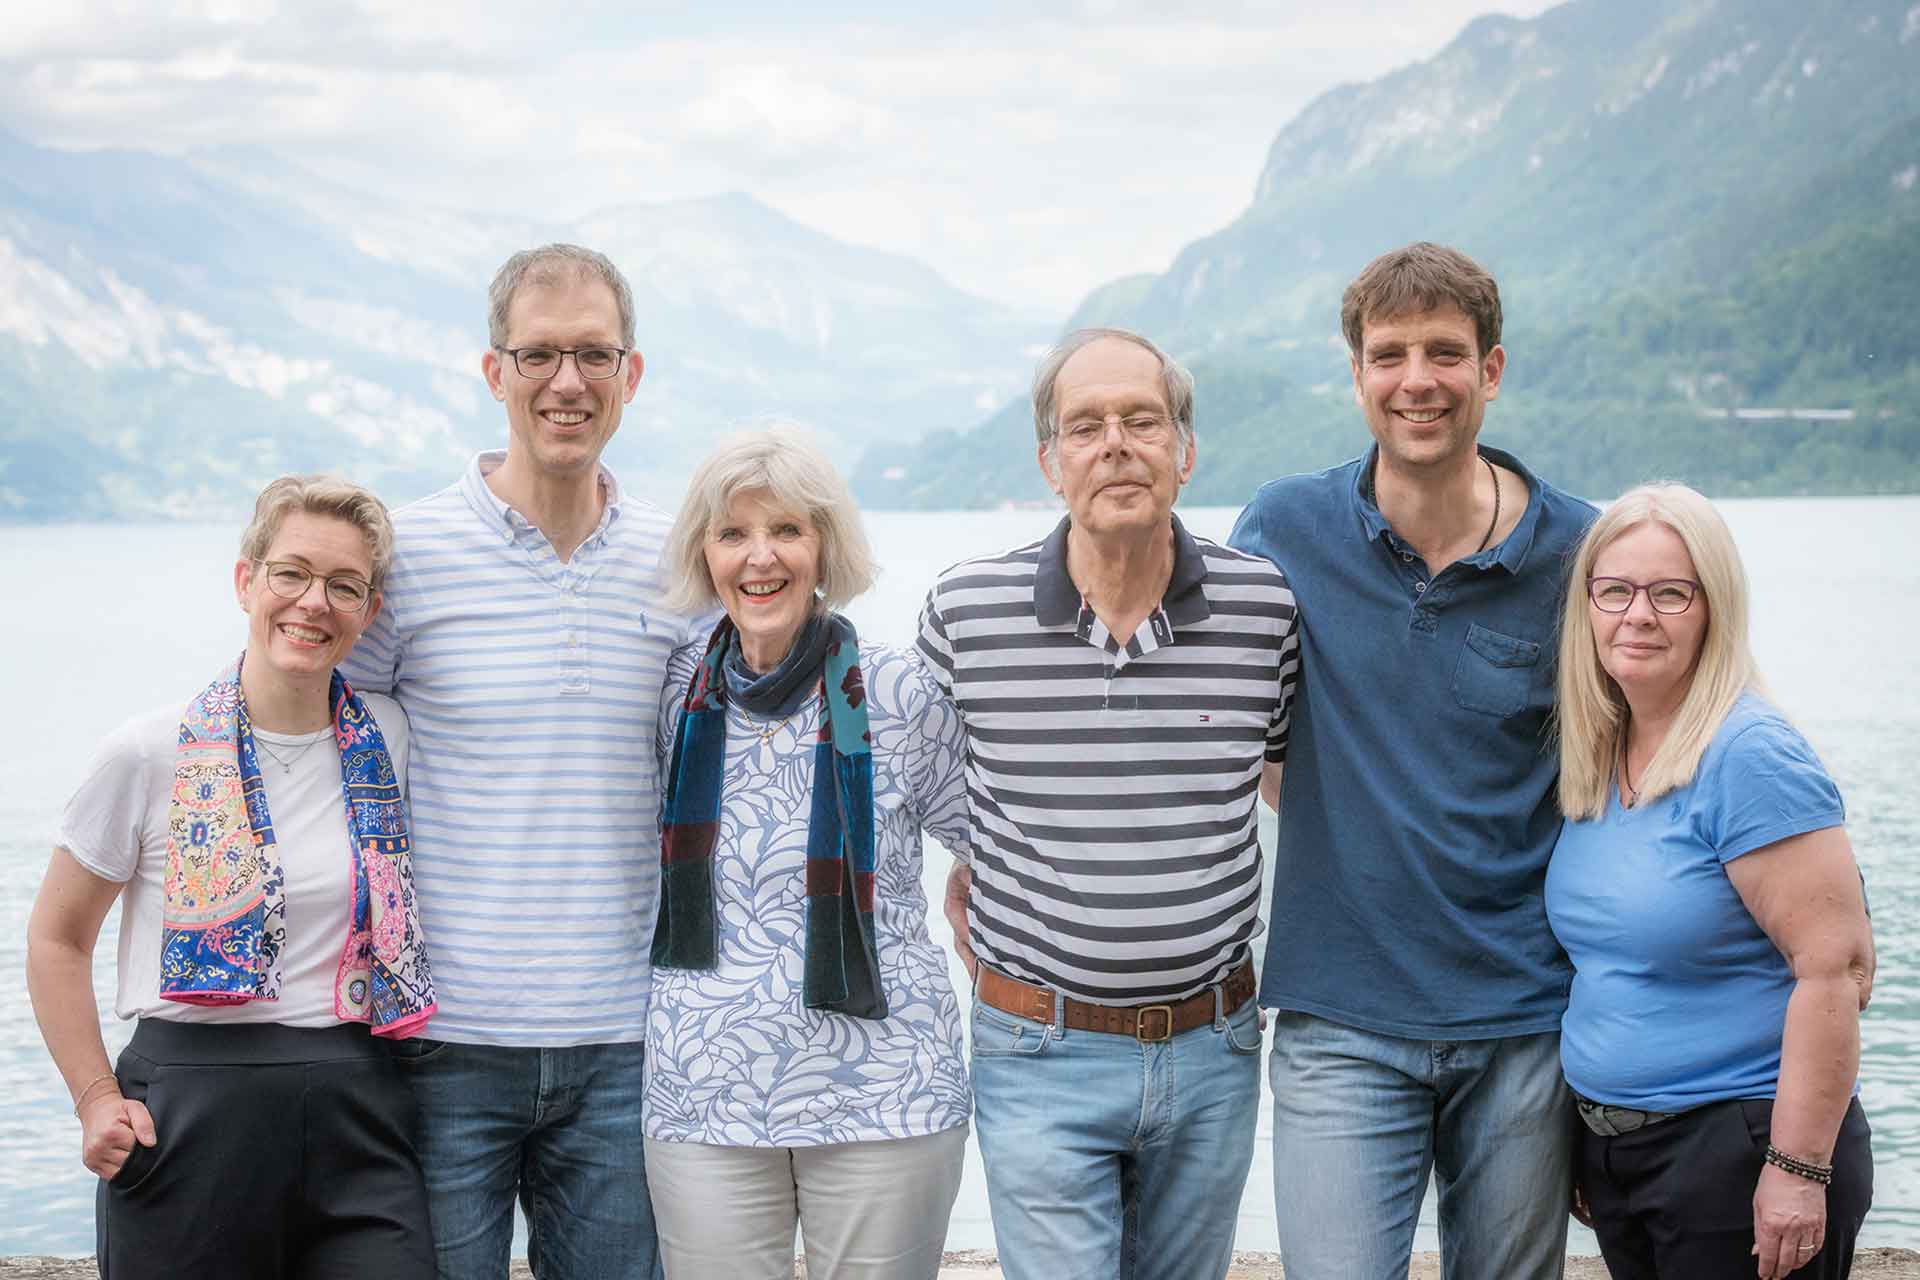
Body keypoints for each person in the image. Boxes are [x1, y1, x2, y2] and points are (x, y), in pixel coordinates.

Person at [1227, 241, 1597, 1279]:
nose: (1417, 380)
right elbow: (1226, 718)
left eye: (1445, 352)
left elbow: (1636, 753)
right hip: (1340, 1015)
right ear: (1357, 376)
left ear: (1491, 369)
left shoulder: (1581, 549)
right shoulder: (1284, 527)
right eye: (1389, 354)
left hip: (1525, 1021)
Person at [339, 244, 706, 1279]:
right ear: (494, 370)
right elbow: (324, 748)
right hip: (441, 1037)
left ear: (630, 374)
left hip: (630, 1041)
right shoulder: (404, 557)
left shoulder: (684, 560)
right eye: (538, 353)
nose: (567, 382)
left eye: (594, 353)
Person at [924, 328, 1301, 1280]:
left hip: (1214, 1048)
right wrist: (991, 856)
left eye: (1142, 419)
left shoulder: (1265, 609)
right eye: (1085, 426)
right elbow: (918, 781)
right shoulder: (967, 612)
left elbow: (1290, 780)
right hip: (1037, 1047)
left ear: (1185, 449)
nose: (1116, 444)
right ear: (1050, 462)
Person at [26, 475, 435, 1277]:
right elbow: (56, 937)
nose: (313, 602)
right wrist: (94, 1100)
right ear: (247, 580)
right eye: (291, 573)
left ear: (369, 612)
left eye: (343, 586)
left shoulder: (389, 738)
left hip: (362, 1106)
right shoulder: (149, 751)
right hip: (193, 1110)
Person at [643, 428, 971, 1279]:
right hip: (702, 1091)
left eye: (787, 530)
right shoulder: (672, 691)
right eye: (733, 534)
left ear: (824, 548)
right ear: (704, 554)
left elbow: (988, 845)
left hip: (886, 1090)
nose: (761, 557)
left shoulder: (899, 691)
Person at [1546, 482, 1875, 1280]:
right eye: (1615, 590)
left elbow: (1839, 969)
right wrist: (1598, 1140)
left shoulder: (1748, 754)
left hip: (1738, 1150)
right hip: (1626, 1157)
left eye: (1671, 593)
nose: (1639, 614)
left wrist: (1797, 1172)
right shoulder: (1603, 752)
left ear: (1715, 608)